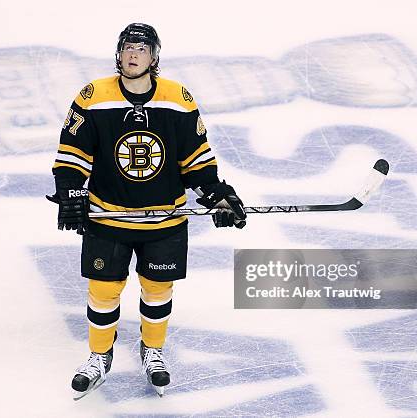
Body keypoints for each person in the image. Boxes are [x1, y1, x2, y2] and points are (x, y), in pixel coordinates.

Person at [47, 23, 247, 399]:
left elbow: (196, 161)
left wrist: (216, 194)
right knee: (103, 290)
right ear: (118, 53)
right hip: (108, 216)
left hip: (164, 218)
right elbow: (73, 154)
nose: (133, 55)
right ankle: (98, 357)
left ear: (155, 57)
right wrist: (70, 192)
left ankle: (152, 350)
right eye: (127, 48)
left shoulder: (178, 98)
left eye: (141, 49)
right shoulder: (93, 97)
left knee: (157, 289)